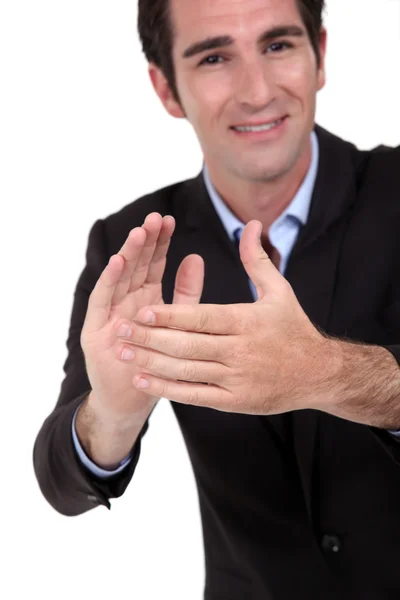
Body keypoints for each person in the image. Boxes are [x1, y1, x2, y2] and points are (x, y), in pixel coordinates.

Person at [33, 0, 400, 598]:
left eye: (278, 45)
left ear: (321, 56)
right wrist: (114, 414)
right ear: (167, 88)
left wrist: (330, 373)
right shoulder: (133, 244)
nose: (257, 91)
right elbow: (61, 484)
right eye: (214, 56)